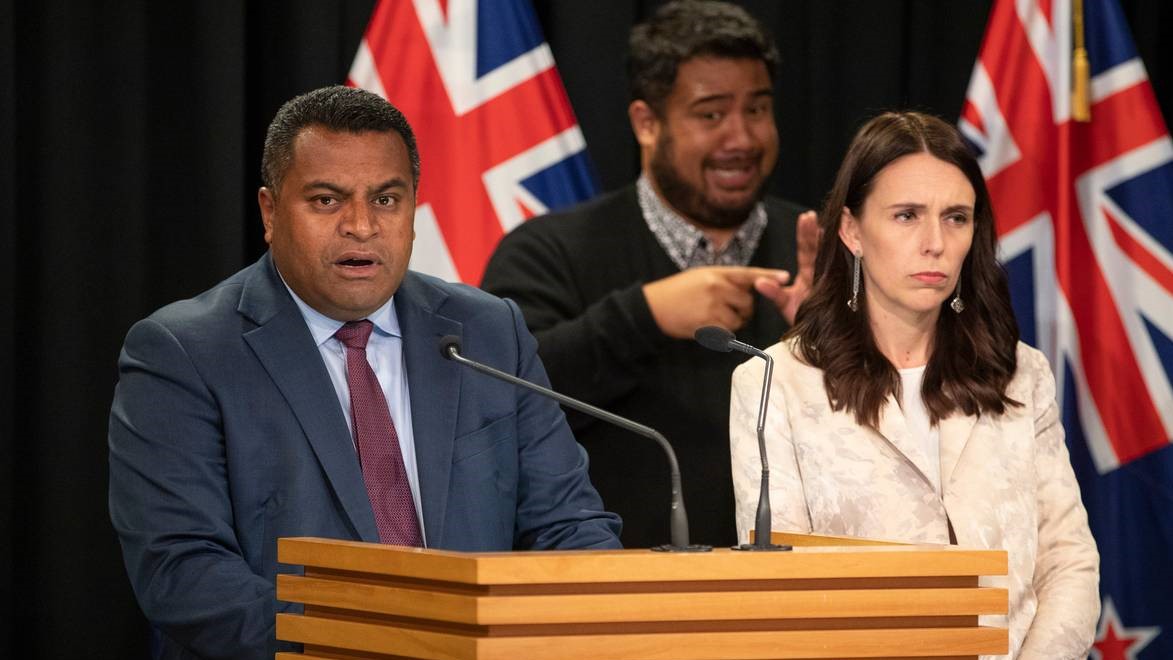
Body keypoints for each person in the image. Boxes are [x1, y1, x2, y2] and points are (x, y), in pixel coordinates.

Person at [108, 86, 621, 660]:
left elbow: (570, 526)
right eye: (327, 201)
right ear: (270, 213)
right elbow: (184, 573)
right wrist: (372, 645)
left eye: (386, 199)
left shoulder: (487, 331)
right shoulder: (184, 352)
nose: (361, 226)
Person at [729, 111, 1099, 658]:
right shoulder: (773, 383)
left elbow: (1068, 562)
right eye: (907, 216)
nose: (935, 243)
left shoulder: (1021, 373)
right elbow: (782, 591)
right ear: (852, 230)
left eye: (956, 218)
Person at [481, 0, 817, 548]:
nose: (742, 139)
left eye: (756, 110)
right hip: (613, 598)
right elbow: (498, 401)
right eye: (711, 114)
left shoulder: (817, 247)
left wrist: (833, 342)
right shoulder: (549, 251)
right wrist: (644, 316)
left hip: (802, 597)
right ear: (646, 123)